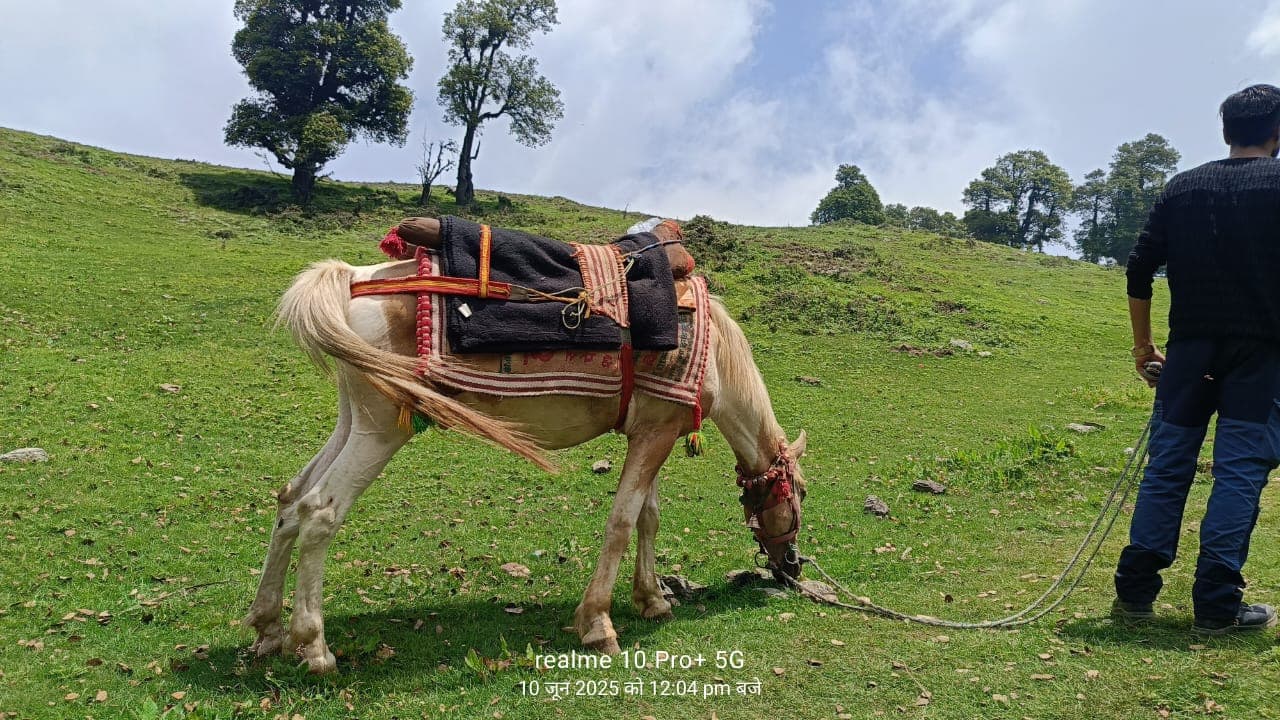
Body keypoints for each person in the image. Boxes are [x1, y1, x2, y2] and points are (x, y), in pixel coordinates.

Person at [1113, 84, 1280, 635]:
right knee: (1239, 473)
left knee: (1167, 467)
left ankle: (1135, 592)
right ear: (1276, 133)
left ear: (1226, 130)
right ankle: (1216, 604)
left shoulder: (1182, 188)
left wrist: (1144, 348)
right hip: (1261, 357)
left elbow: (1139, 270)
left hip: (1188, 353)